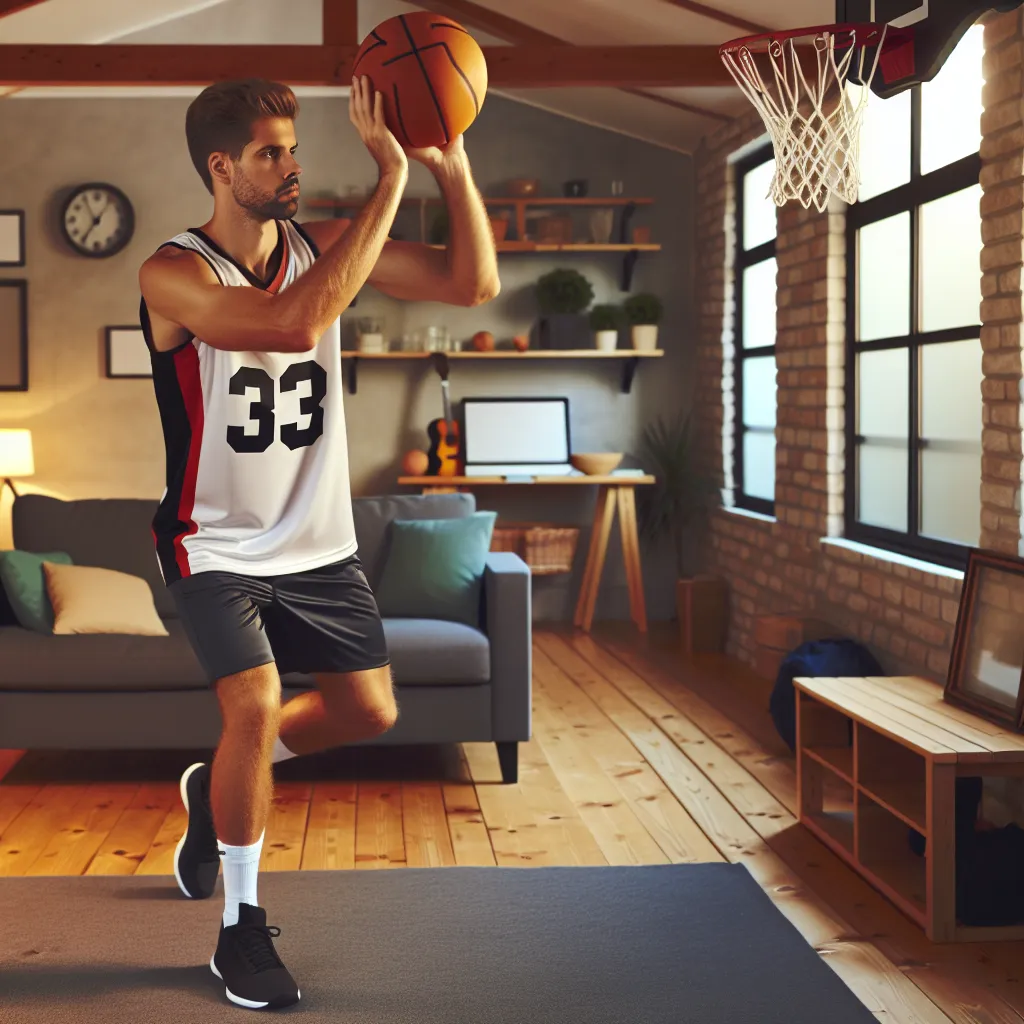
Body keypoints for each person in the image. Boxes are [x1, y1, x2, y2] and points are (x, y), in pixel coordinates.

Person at [137, 75, 499, 1011]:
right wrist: (387, 183)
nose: (292, 165)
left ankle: (210, 791)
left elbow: (473, 284)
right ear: (221, 167)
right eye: (270, 152)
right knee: (254, 704)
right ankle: (239, 935)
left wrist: (449, 168)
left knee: (369, 715)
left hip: (318, 545)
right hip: (212, 543)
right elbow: (293, 323)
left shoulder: (323, 244)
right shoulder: (172, 274)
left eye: (295, 148)